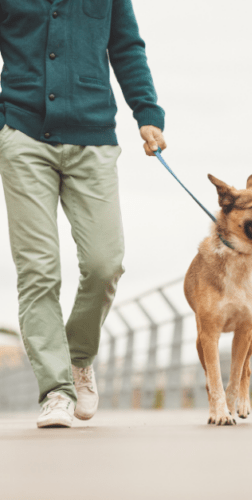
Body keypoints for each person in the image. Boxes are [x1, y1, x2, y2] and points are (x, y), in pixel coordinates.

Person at [0, 1, 166, 428]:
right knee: (38, 270)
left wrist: (146, 112)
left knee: (104, 263)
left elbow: (127, 47)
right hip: (21, 135)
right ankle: (56, 390)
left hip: (94, 137)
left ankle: (77, 359)